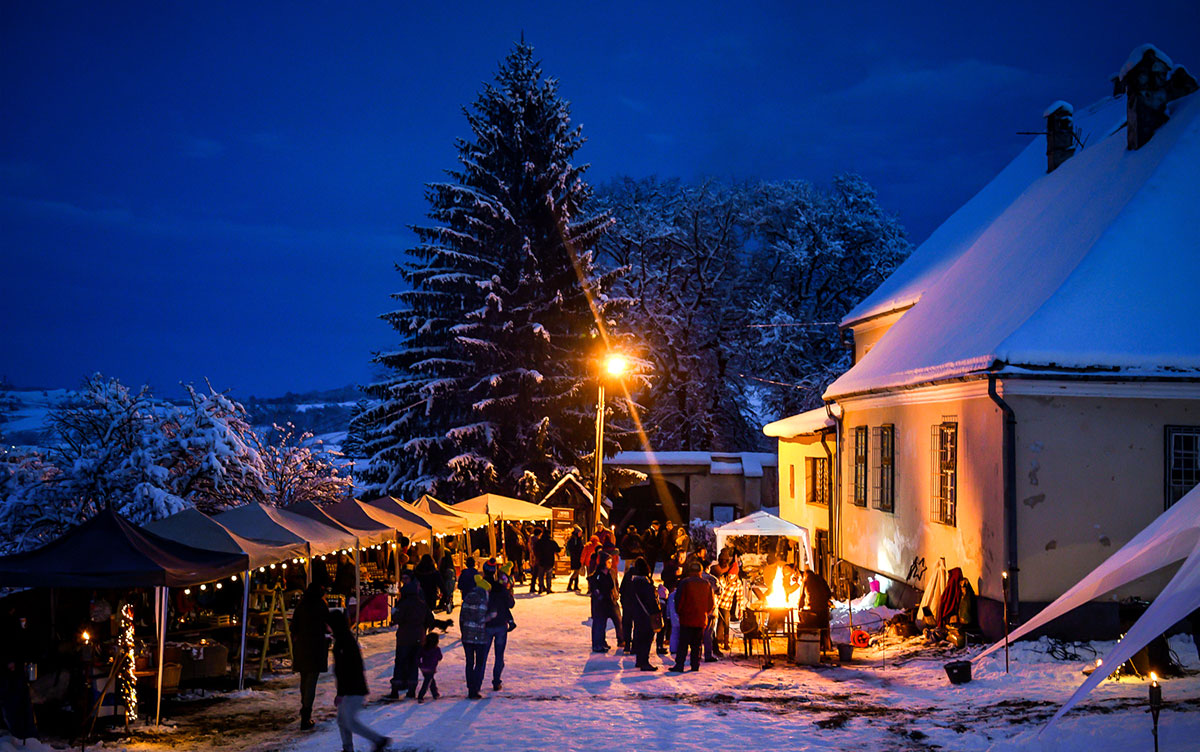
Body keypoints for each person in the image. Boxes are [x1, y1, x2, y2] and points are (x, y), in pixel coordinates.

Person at [329, 610, 389, 752]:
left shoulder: (344, 642)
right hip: (353, 687)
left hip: (353, 689)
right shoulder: (344, 639)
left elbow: (345, 670)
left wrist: (341, 693)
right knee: (343, 721)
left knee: (349, 722)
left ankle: (378, 740)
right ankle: (348, 748)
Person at [290, 582, 330, 730]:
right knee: (311, 680)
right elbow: (328, 623)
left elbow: (293, 626)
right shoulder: (321, 605)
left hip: (302, 646)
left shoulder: (301, 605)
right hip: (316, 646)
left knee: (304, 677)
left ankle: (304, 708)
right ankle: (306, 714)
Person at [388, 581, 434, 699]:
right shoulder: (422, 604)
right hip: (419, 637)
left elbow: (396, 619)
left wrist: (394, 613)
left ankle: (395, 690)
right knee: (414, 664)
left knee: (400, 663)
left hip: (404, 638)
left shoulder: (403, 604)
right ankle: (411, 690)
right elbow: (430, 619)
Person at [671, 560, 714, 673]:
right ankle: (695, 665)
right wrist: (704, 612)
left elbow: (679, 601)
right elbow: (711, 604)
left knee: (683, 644)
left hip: (686, 618)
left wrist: (679, 612)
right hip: (700, 619)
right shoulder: (706, 584)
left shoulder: (685, 583)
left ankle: (679, 665)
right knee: (697, 644)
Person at [483, 561, 515, 691]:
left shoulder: (483, 587)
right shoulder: (501, 587)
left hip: (488, 623)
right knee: (499, 655)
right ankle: (496, 681)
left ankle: (477, 681)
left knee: (483, 655)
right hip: (501, 623)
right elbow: (510, 604)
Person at [626, 557, 662, 671]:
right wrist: (657, 612)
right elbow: (651, 601)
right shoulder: (646, 585)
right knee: (646, 639)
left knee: (639, 636)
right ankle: (644, 662)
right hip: (647, 616)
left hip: (637, 614)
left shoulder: (633, 583)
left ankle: (639, 660)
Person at [460, 575, 492, 699]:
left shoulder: (467, 599)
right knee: (479, 663)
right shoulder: (483, 601)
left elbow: (462, 617)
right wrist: (490, 617)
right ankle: (476, 687)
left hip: (467, 635)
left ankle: (470, 687)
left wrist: (463, 631)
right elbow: (480, 619)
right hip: (480, 635)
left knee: (469, 662)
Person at [587, 553, 621, 652]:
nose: (610, 564)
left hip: (611, 600)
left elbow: (615, 584)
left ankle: (620, 640)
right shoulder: (597, 575)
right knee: (599, 623)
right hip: (601, 603)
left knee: (618, 621)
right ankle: (598, 643)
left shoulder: (612, 572)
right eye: (608, 562)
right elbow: (594, 586)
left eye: (611, 562)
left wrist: (616, 594)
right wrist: (598, 595)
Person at [798, 565, 833, 647]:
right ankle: (827, 644)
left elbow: (802, 597)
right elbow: (828, 592)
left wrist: (799, 609)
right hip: (823, 607)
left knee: (814, 627)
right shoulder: (820, 578)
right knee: (824, 627)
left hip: (812, 608)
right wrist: (825, 601)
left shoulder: (806, 581)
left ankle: (816, 644)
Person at [701, 564, 723, 661]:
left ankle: (696, 655)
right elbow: (719, 591)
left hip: (699, 610)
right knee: (708, 633)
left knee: (698, 633)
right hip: (711, 609)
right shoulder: (712, 579)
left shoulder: (695, 579)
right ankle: (708, 655)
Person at [416, 632, 442, 702]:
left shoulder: (423, 648)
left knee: (430, 680)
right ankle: (421, 696)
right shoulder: (436, 649)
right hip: (431, 668)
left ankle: (435, 693)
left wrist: (419, 664)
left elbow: (418, 656)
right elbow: (440, 657)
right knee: (427, 682)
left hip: (423, 668)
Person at [565, 527, 585, 592]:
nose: (581, 534)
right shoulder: (573, 539)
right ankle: (570, 585)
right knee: (576, 572)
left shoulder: (578, 539)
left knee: (577, 572)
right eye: (580, 532)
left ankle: (575, 586)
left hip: (578, 557)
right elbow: (573, 549)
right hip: (575, 558)